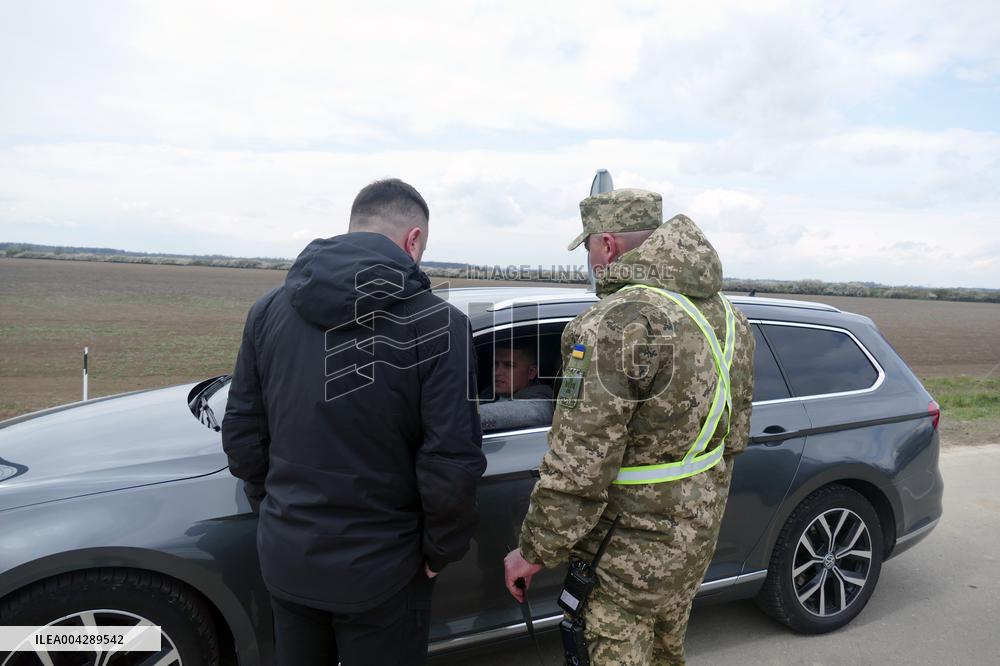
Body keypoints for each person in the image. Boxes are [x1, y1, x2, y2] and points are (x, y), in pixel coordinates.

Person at [222, 178, 486, 666]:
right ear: (413, 241)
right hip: (386, 573)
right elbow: (452, 459)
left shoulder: (267, 312)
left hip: (289, 559)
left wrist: (276, 512)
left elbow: (243, 434)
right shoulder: (440, 325)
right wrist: (438, 553)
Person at [503, 188, 755, 665]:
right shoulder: (729, 318)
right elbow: (734, 435)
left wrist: (532, 551)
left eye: (591, 248)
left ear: (608, 246)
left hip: (623, 558)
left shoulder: (612, 326)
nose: (592, 261)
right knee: (666, 655)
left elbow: (578, 466)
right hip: (693, 543)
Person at [478, 341, 554, 431]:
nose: (497, 372)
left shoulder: (540, 405)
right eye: (495, 364)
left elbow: (513, 413)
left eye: (509, 365)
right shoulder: (487, 394)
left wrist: (461, 416)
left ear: (531, 372)